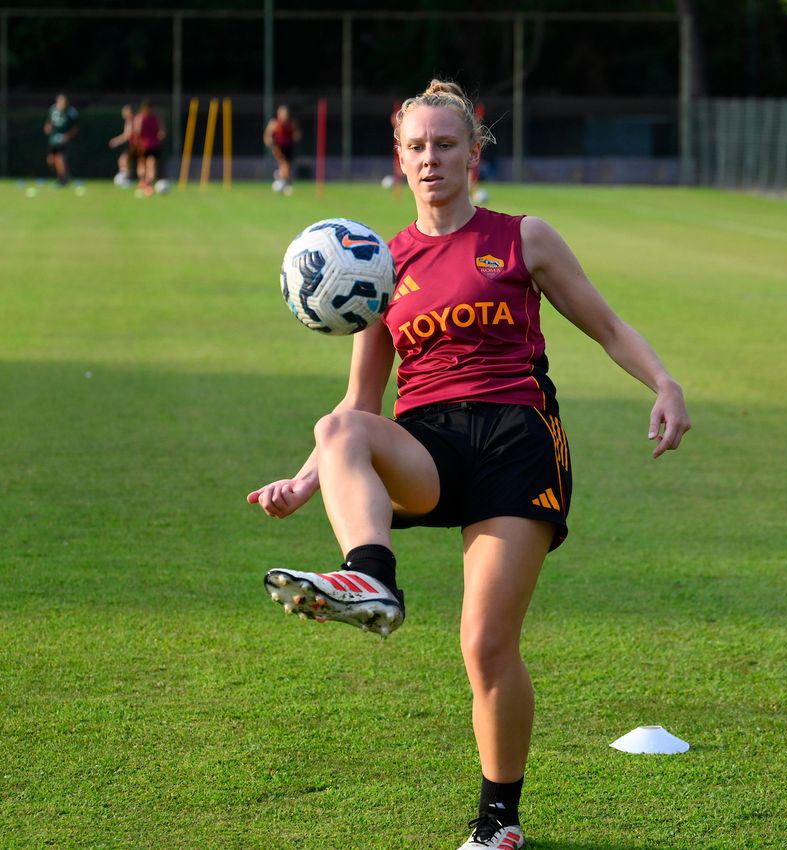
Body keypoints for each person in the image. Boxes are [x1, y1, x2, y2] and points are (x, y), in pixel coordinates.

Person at [247, 79, 690, 850]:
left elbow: (608, 325)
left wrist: (663, 383)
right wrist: (306, 479)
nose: (430, 159)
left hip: (517, 444)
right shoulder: (378, 265)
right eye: (416, 146)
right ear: (399, 157)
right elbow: (360, 403)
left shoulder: (524, 237)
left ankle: (498, 822)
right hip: (431, 448)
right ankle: (371, 579)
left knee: (484, 644)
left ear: (473, 152)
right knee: (336, 425)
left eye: (445, 144)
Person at [43, 93, 79, 186]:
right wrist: (47, 128)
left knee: (60, 157)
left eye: (64, 102)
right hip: (53, 140)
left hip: (64, 140)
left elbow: (75, 127)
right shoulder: (53, 110)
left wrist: (67, 136)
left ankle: (63, 178)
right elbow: (48, 123)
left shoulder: (71, 112)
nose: (62, 103)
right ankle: (65, 176)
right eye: (61, 101)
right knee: (51, 160)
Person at [132, 101, 166, 195]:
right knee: (142, 164)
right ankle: (144, 183)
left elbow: (161, 131)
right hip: (143, 145)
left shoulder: (153, 118)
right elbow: (137, 131)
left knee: (150, 164)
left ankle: (146, 184)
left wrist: (160, 135)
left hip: (153, 145)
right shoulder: (141, 118)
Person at [264, 104, 300, 190]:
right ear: (278, 114)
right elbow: (268, 135)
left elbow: (297, 133)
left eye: (286, 113)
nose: (285, 115)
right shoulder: (274, 123)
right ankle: (285, 183)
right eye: (283, 113)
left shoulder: (291, 123)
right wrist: (269, 142)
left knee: (288, 165)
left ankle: (280, 175)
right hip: (278, 147)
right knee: (284, 163)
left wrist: (296, 137)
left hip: (289, 147)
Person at [108, 104, 136, 186]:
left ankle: (126, 180)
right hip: (133, 144)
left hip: (134, 144)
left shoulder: (131, 120)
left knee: (123, 160)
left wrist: (116, 141)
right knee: (124, 160)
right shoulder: (131, 120)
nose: (123, 113)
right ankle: (126, 179)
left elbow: (127, 135)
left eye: (124, 111)